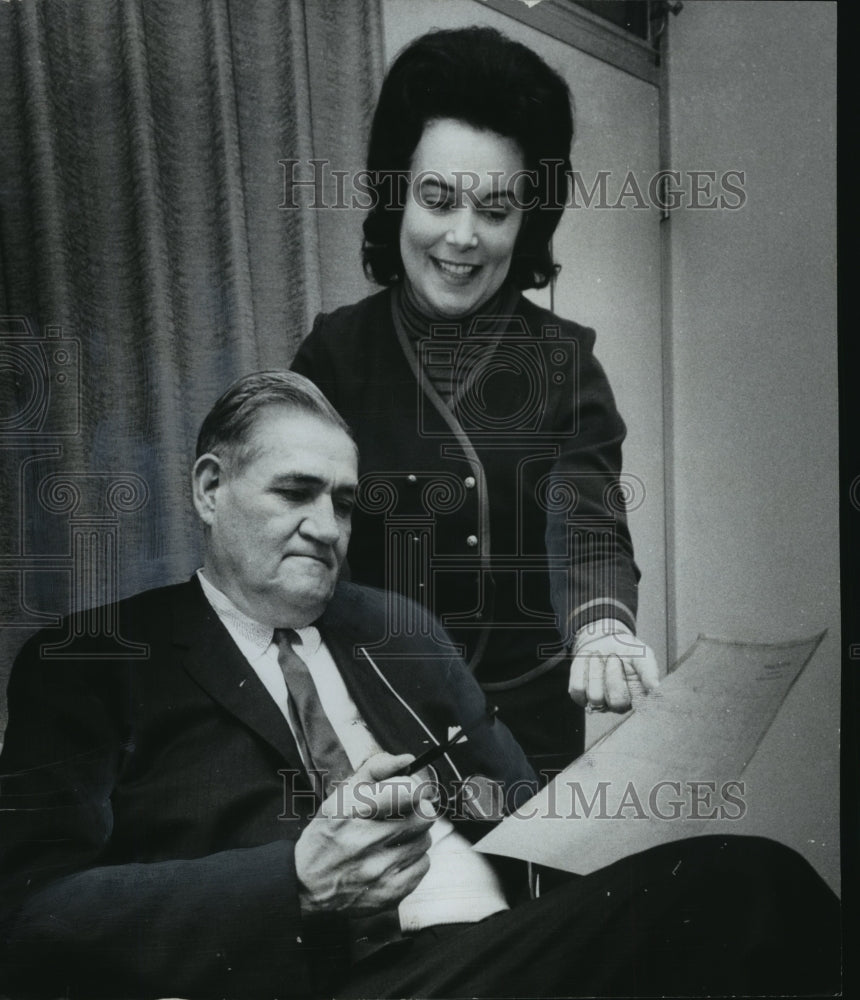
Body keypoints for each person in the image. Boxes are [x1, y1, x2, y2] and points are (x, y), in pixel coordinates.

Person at [0, 370, 841, 999]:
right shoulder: (97, 659)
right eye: (295, 493)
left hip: (493, 947)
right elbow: (31, 912)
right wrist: (294, 882)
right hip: (331, 977)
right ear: (211, 489)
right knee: (745, 886)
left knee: (727, 889)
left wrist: (634, 780)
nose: (326, 528)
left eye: (345, 503)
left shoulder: (395, 630)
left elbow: (520, 814)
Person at [291, 25, 659, 774]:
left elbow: (586, 513)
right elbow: (296, 531)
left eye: (495, 210)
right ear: (398, 195)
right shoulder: (335, 354)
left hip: (527, 731)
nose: (462, 237)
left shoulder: (564, 361)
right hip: (374, 722)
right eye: (438, 199)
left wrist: (600, 627)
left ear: (529, 221)